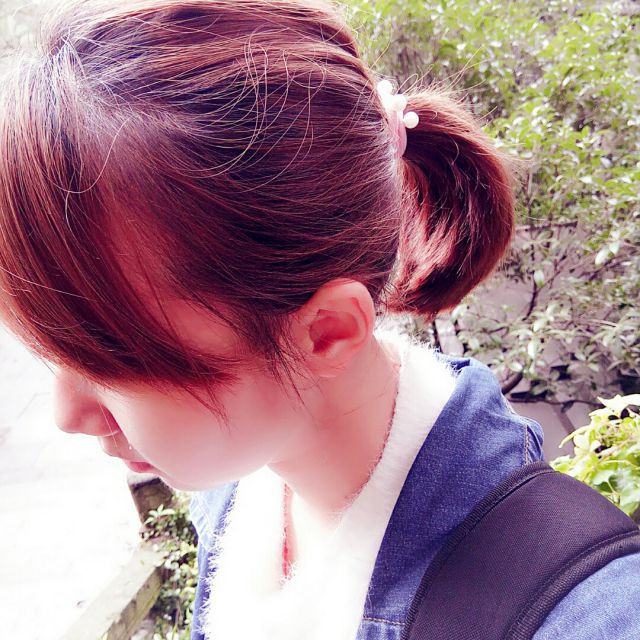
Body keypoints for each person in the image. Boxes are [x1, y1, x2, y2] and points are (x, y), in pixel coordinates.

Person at [0, 1, 638, 639]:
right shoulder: (242, 482)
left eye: (108, 359)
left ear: (327, 332)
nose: (67, 415)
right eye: (52, 353)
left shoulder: (581, 619)